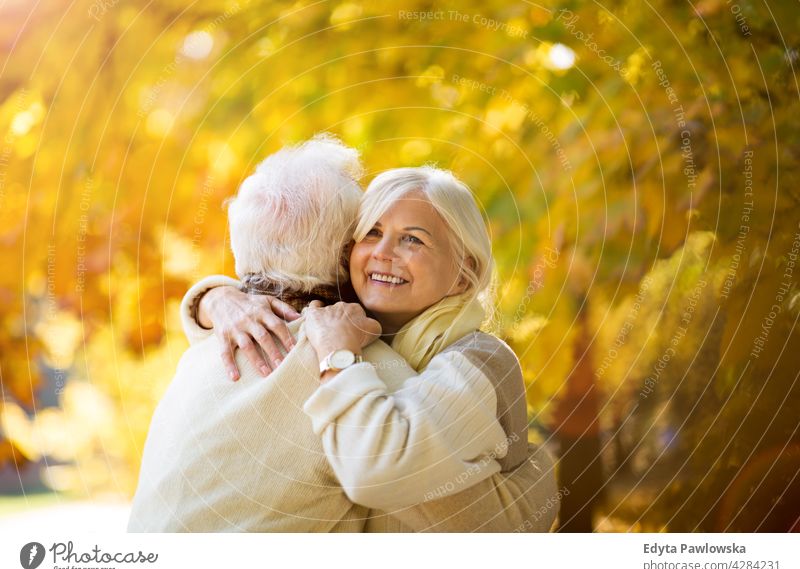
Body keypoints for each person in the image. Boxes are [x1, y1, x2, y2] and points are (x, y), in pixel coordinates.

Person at [129, 135, 557, 532]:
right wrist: (534, 490)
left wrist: (216, 297)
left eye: (413, 240)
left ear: (465, 276)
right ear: (345, 255)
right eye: (370, 232)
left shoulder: (213, 349)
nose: (382, 253)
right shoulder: (257, 331)